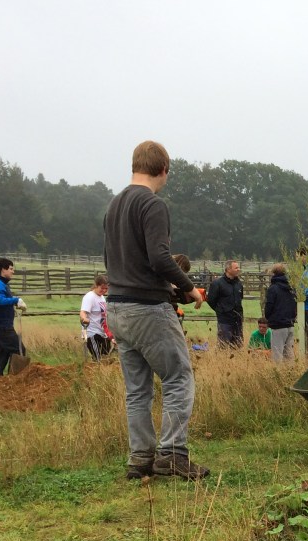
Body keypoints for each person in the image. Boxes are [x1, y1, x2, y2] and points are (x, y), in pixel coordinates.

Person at [103, 140, 209, 481]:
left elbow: (115, 260)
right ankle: (172, 454)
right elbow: (159, 258)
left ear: (135, 165)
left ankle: (141, 458)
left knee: (138, 389)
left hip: (116, 307)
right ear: (164, 170)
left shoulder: (114, 205)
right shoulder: (152, 204)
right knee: (178, 378)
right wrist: (189, 288)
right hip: (147, 309)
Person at [0, 256, 26, 376]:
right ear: (3, 269)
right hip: (2, 326)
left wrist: (14, 303)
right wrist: (16, 300)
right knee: (19, 349)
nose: (13, 271)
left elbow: (1, 300)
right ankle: (14, 380)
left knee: (1, 355)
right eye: (11, 269)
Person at [205, 259, 245, 347]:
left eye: (238, 267)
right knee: (224, 346)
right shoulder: (217, 283)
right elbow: (211, 300)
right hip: (225, 320)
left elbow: (240, 298)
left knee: (238, 346)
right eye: (236, 268)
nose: (238, 269)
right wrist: (220, 310)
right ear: (228, 269)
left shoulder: (239, 284)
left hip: (237, 320)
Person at [265, 263, 297, 362]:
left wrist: (268, 317)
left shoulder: (273, 288)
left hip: (278, 324)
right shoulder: (291, 287)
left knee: (277, 354)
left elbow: (269, 305)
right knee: (289, 354)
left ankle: (278, 371)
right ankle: (291, 371)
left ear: (273, 273)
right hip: (290, 323)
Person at [79, 274, 114, 361]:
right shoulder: (89, 297)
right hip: (92, 333)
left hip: (102, 332)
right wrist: (84, 319)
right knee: (97, 359)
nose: (104, 290)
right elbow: (83, 312)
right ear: (96, 285)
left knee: (105, 357)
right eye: (102, 288)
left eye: (106, 288)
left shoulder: (101, 297)